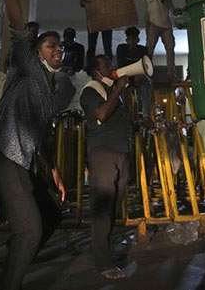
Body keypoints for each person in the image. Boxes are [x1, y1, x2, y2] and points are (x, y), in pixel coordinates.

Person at [0, 0, 67, 290]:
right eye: (50, 45)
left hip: (26, 166)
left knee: (51, 217)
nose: (57, 49)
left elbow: (42, 138)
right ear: (36, 52)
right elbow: (17, 25)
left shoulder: (52, 91)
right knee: (30, 229)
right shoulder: (26, 67)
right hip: (2, 160)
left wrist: (56, 172)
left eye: (59, 46)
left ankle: (17, 253)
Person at [79, 55, 131, 280]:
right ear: (95, 71)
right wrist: (119, 89)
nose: (111, 67)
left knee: (112, 208)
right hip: (103, 153)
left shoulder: (109, 91)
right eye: (106, 65)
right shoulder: (90, 92)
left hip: (119, 152)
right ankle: (102, 262)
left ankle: (105, 253)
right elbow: (101, 114)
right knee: (102, 209)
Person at [143, 0, 180, 82]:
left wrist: (179, 11)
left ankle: (171, 73)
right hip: (153, 23)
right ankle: (146, 73)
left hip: (166, 25)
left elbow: (172, 10)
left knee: (170, 49)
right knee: (149, 49)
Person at [80, 0, 113, 66]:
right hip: (93, 19)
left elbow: (116, 2)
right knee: (91, 45)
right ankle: (90, 67)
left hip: (107, 19)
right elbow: (82, 4)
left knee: (107, 46)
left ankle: (109, 66)